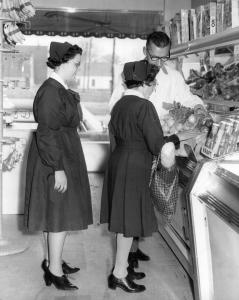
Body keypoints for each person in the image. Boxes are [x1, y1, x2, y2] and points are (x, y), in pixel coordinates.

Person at [109, 30, 204, 267]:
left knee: (146, 199)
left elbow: (189, 99)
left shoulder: (173, 76)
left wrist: (200, 109)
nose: (159, 63)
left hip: (160, 143)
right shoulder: (130, 73)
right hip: (139, 144)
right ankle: (128, 253)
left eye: (164, 58)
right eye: (154, 58)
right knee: (134, 198)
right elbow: (116, 107)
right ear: (145, 52)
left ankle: (134, 246)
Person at [100, 60, 180, 293]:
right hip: (135, 167)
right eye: (153, 82)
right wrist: (174, 140)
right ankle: (118, 274)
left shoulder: (120, 104)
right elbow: (158, 145)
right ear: (144, 83)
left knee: (127, 219)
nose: (154, 86)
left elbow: (116, 137)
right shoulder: (144, 107)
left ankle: (123, 266)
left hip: (119, 161)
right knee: (128, 222)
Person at [24, 41, 93, 290]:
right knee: (60, 216)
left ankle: (52, 260)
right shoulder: (51, 91)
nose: (77, 69)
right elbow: (47, 133)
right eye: (75, 64)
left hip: (62, 154)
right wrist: (58, 169)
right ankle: (54, 271)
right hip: (56, 159)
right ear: (62, 62)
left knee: (55, 213)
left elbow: (59, 124)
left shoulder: (57, 88)